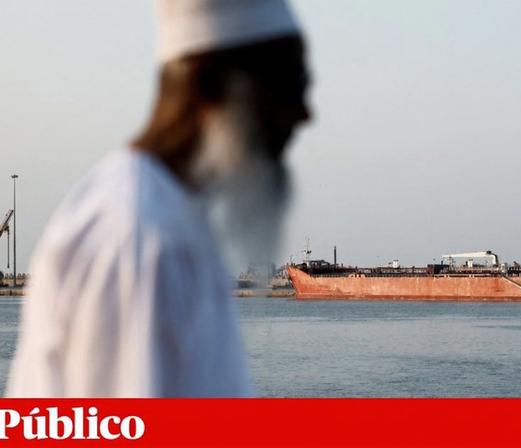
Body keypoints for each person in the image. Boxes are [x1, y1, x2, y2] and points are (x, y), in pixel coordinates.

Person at [7, 0, 310, 397]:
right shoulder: (138, 237)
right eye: (287, 88)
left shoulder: (171, 222)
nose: (303, 113)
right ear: (210, 82)